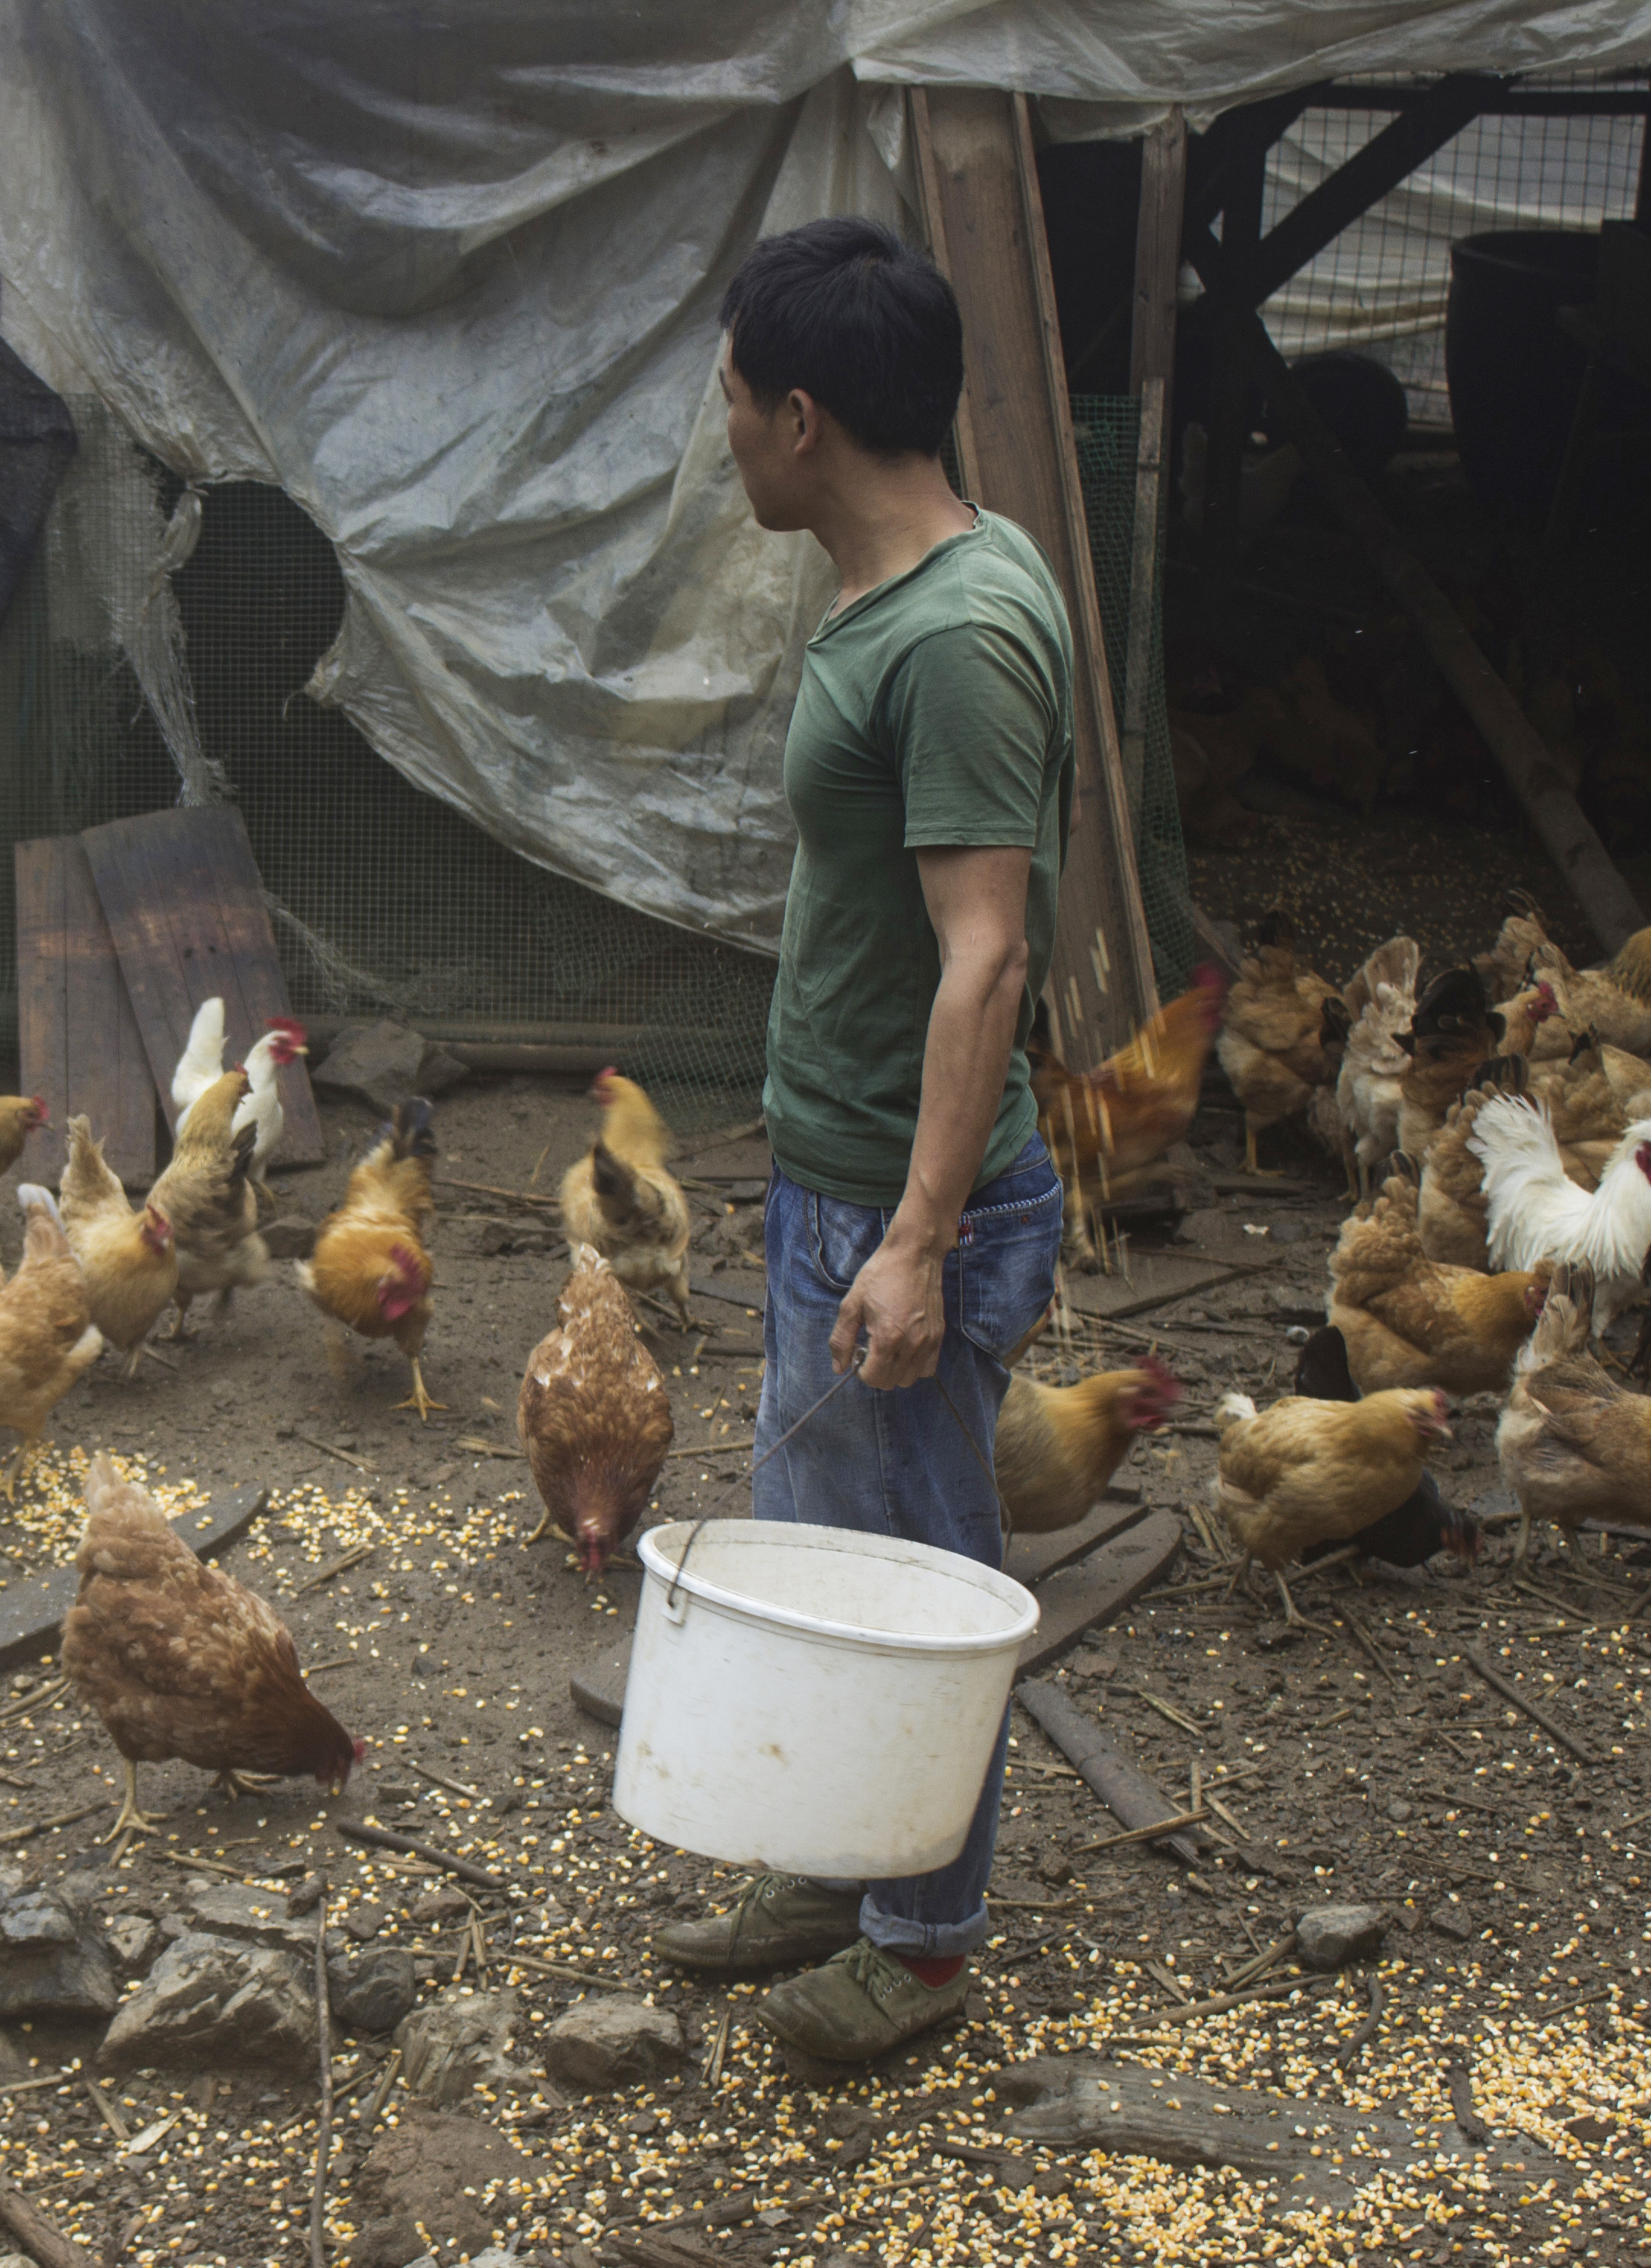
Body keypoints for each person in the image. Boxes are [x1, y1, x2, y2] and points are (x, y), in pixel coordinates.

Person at [646, 215, 1071, 2065]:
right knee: (822, 1540)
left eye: (732, 399)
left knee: (915, 1578)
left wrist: (915, 1237)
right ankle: (834, 1863)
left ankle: (924, 1945)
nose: (722, 428)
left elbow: (988, 962)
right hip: (840, 1174)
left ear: (800, 417)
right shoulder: (893, 588)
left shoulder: (962, 636)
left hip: (916, 1204)